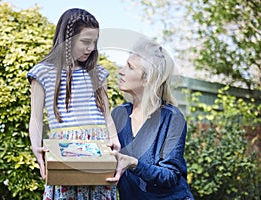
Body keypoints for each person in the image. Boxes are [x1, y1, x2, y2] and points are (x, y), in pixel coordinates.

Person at [27, 8, 120, 200]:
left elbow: (106, 114)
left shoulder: (98, 73)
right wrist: (36, 147)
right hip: (65, 150)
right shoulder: (43, 72)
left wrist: (114, 139)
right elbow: (35, 118)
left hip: (99, 148)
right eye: (85, 42)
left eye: (94, 42)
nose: (91, 48)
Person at [107, 38, 194, 199]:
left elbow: (170, 175)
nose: (121, 71)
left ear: (147, 79)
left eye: (130, 67)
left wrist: (134, 164)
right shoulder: (118, 114)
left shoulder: (172, 118)